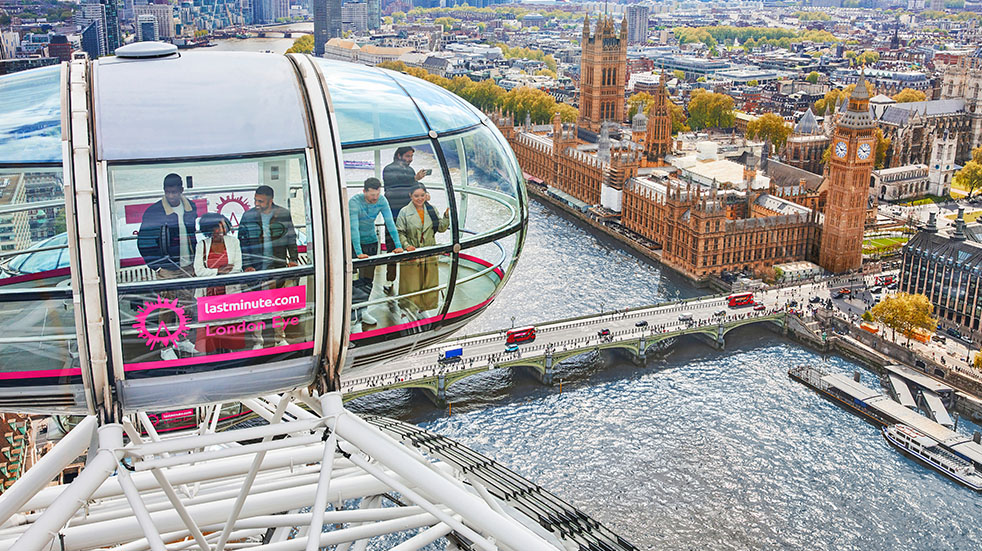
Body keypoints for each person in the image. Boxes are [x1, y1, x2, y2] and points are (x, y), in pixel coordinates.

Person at [136, 173, 199, 360]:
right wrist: (157, 267)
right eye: (168, 192)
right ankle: (165, 346)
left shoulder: (191, 207)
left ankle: (182, 338)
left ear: (181, 190)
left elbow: (192, 234)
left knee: (187, 305)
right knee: (167, 308)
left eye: (174, 192)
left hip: (188, 265)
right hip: (167, 268)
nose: (171, 196)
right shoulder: (154, 212)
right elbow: (144, 242)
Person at [239, 185, 299, 347]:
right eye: (255, 200)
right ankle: (258, 340)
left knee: (277, 303)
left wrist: (293, 259)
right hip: (256, 267)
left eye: (261, 201)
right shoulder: (248, 216)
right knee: (257, 304)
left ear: (271, 200)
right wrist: (246, 265)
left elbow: (291, 238)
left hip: (276, 265)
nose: (257, 204)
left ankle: (280, 338)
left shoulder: (283, 214)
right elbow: (242, 243)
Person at [349, 178, 404, 326]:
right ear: (364, 191)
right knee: (351, 280)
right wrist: (358, 252)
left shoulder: (382, 200)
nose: (375, 198)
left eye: (377, 194)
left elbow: (390, 222)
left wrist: (398, 245)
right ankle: (351, 312)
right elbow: (353, 228)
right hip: (353, 244)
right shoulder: (354, 202)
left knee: (368, 279)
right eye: (372, 195)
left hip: (371, 242)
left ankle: (363, 310)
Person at [396, 184, 450, 316]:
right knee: (411, 283)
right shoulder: (404, 212)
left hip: (429, 251)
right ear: (410, 196)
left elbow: (441, 228)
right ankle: (408, 308)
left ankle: (426, 306)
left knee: (428, 280)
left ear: (426, 195)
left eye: (422, 195)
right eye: (416, 196)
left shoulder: (431, 210)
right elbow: (400, 232)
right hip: (413, 252)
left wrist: (446, 216)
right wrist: (406, 245)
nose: (419, 199)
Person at [193, 213, 244, 353]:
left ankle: (230, 355)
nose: (221, 230)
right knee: (211, 332)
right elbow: (198, 271)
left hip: (229, 293)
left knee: (230, 329)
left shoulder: (234, 242)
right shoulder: (202, 245)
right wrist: (218, 272)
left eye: (223, 225)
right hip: (209, 295)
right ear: (209, 229)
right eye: (217, 226)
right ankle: (214, 357)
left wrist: (213, 271)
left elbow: (237, 267)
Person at [382, 146, 428, 293]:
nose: (410, 160)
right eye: (408, 156)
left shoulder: (409, 170)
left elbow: (414, 188)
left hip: (407, 213)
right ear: (399, 155)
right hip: (393, 213)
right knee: (393, 246)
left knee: (410, 244)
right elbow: (394, 183)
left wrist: (424, 193)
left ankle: (409, 281)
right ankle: (390, 280)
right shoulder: (389, 169)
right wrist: (414, 179)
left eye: (411, 157)